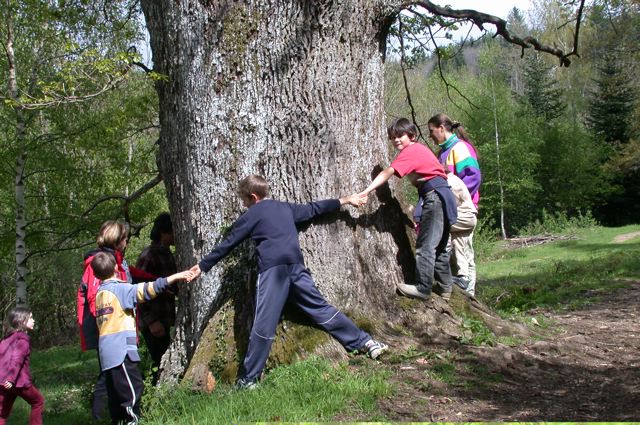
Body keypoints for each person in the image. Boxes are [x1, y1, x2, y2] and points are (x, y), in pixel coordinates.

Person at [189, 175, 388, 389]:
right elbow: (314, 208)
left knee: (264, 323)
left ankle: (248, 380)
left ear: (253, 197)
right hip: (296, 267)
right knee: (321, 309)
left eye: (244, 200)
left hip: (272, 271)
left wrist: (202, 266)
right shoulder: (285, 208)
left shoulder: (252, 215)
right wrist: (346, 199)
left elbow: (228, 243)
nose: (244, 205)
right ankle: (365, 342)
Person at [357, 117, 457, 302]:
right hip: (444, 197)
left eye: (400, 135)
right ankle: (445, 287)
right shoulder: (419, 150)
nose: (396, 140)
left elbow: (388, 172)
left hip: (435, 197)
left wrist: (366, 191)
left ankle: (423, 288)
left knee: (426, 245)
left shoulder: (412, 150)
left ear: (411, 135)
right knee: (440, 246)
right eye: (392, 137)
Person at [91, 251, 193, 425]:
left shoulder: (100, 294)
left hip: (106, 353)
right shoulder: (120, 290)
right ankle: (133, 421)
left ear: (95, 274)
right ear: (116, 268)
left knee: (115, 395)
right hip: (121, 353)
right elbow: (147, 289)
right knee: (132, 390)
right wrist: (175, 276)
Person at [76, 220, 156, 421]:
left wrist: (156, 279)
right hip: (106, 331)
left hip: (117, 329)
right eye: (125, 239)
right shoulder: (100, 261)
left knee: (114, 377)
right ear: (117, 240)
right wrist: (108, 323)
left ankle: (117, 417)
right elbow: (96, 300)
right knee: (108, 378)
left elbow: (132, 275)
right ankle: (102, 418)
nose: (127, 242)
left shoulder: (118, 260)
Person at [427, 113, 482, 293]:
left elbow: (473, 177)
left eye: (432, 131)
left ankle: (470, 299)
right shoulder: (443, 152)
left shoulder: (460, 148)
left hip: (463, 209)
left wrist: (454, 202)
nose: (430, 136)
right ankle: (457, 293)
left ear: (441, 128)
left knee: (463, 254)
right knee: (451, 255)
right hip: (448, 210)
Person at [136, 213, 178, 383]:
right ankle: (155, 399)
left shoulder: (167, 254)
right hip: (154, 323)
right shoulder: (149, 256)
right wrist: (151, 321)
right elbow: (139, 291)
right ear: (164, 232)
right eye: (173, 230)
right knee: (160, 363)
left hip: (165, 319)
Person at [0, 307, 44, 425]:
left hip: (4, 382)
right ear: (21, 321)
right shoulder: (23, 339)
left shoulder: (5, 339)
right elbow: (17, 359)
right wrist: (11, 378)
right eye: (30, 318)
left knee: (2, 414)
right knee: (38, 401)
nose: (33, 320)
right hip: (18, 382)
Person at [446, 172, 478, 296]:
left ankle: (465, 284)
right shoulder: (451, 180)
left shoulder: (450, 182)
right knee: (460, 248)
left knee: (439, 226)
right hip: (464, 216)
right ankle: (466, 288)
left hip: (464, 216)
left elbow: (449, 207)